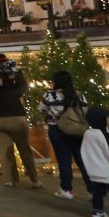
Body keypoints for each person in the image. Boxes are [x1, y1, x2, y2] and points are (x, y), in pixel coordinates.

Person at [0, 54, 41, 188]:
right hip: (16, 118)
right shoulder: (12, 85)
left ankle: (10, 179)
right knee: (24, 149)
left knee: (5, 150)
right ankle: (34, 180)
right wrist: (16, 75)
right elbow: (23, 88)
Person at [40, 70, 92, 199]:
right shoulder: (79, 95)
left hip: (57, 129)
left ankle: (66, 189)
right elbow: (85, 110)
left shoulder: (49, 96)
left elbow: (41, 109)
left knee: (64, 159)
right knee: (81, 159)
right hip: (77, 130)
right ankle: (92, 190)